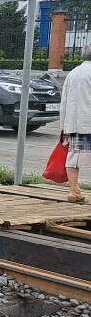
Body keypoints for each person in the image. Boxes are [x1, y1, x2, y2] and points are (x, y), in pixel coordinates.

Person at [58, 44, 91, 203]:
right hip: (89, 122)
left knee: (74, 157)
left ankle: (73, 191)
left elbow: (63, 100)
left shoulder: (73, 73)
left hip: (74, 122)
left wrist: (63, 125)